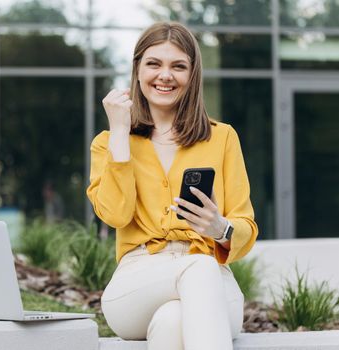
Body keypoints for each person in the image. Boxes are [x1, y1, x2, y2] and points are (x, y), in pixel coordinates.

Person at [86, 22, 258, 350]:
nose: (165, 75)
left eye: (178, 66)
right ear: (137, 69)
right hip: (138, 281)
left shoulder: (222, 137)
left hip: (213, 285)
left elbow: (245, 224)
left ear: (192, 75)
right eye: (154, 64)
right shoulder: (107, 142)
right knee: (200, 265)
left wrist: (220, 228)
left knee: (172, 321)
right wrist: (120, 133)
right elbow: (116, 215)